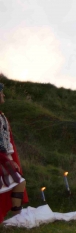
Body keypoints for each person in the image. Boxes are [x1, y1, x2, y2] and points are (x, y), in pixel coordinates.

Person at [0, 83, 28, 223]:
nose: (3, 95)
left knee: (19, 182)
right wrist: (6, 159)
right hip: (1, 158)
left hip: (5, 156)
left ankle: (17, 216)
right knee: (17, 182)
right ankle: (16, 217)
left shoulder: (2, 116)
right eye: (1, 93)